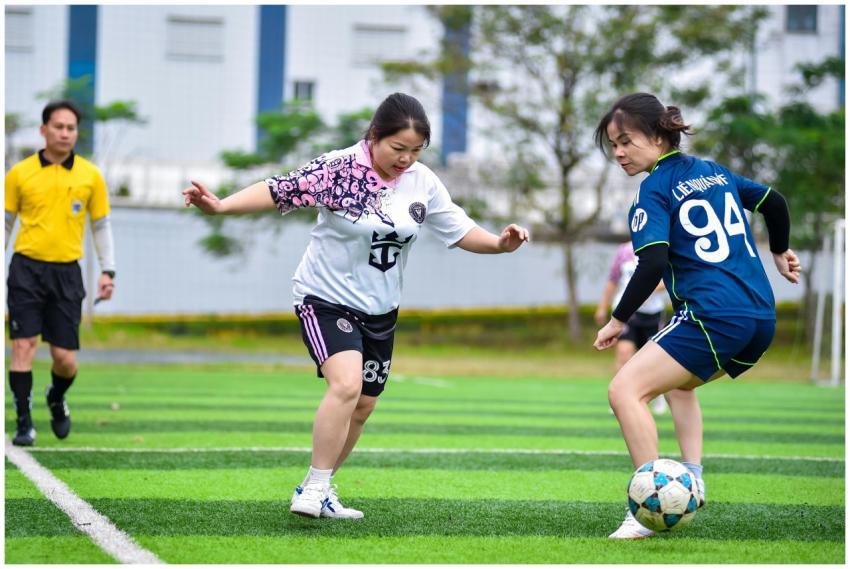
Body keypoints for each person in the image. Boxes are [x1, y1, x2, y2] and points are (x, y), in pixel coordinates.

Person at [183, 92, 529, 520]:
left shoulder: (422, 181)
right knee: (345, 385)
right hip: (325, 298)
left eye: (416, 150)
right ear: (374, 136)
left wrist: (501, 244)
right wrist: (221, 206)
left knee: (363, 406)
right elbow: (278, 190)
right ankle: (312, 487)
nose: (406, 159)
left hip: (381, 309)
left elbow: (459, 231)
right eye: (397, 149)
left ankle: (324, 487)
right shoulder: (339, 169)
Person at [591, 93, 800, 539]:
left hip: (712, 315)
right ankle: (692, 477)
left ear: (659, 136)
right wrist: (780, 250)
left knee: (624, 390)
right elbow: (775, 201)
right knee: (679, 385)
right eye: (613, 145)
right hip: (760, 317)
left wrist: (617, 319)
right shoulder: (713, 171)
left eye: (626, 141)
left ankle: (645, 509)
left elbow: (651, 262)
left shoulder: (654, 188)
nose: (619, 153)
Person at [5, 100, 116, 446]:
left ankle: (56, 397)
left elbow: (101, 227)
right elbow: (5, 223)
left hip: (67, 274)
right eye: (59, 127)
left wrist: (108, 270)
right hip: (26, 270)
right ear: (44, 130)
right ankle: (24, 422)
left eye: (71, 128)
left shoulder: (90, 175)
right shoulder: (19, 174)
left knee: (65, 359)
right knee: (23, 346)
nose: (65, 133)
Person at [594, 241, 669, 415]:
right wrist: (602, 307)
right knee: (623, 353)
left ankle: (657, 398)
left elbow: (668, 278)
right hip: (627, 312)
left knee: (654, 360)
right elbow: (613, 281)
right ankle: (619, 398)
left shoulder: (661, 247)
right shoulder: (624, 251)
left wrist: (645, 287)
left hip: (652, 314)